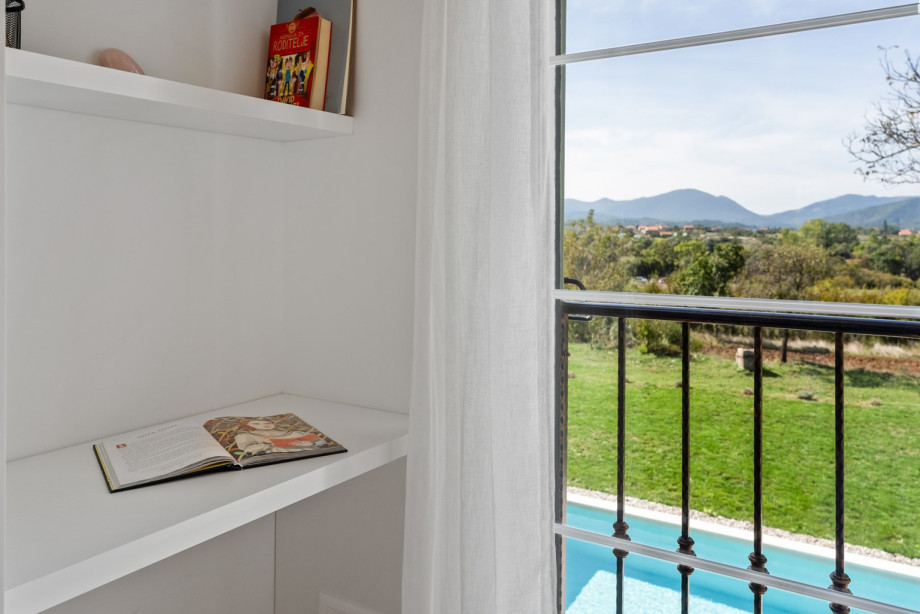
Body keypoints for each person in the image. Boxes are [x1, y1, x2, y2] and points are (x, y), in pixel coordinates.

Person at [233, 418, 326, 455]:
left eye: (266, 422)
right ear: (249, 427)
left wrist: (311, 443)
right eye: (257, 423)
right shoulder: (247, 436)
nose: (264, 424)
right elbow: (246, 448)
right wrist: (266, 444)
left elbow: (321, 442)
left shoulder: (295, 433)